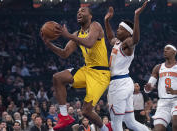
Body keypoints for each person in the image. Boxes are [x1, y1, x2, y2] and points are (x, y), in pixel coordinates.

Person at [41, 6, 110, 131]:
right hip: (87, 69)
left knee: (86, 111)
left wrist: (69, 36)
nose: (79, 12)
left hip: (101, 73)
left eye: (83, 11)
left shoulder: (96, 26)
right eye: (78, 11)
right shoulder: (77, 34)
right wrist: (48, 44)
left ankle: (105, 129)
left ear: (90, 16)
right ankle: (64, 115)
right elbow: (64, 53)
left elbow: (89, 43)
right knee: (58, 78)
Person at [105, 1, 149, 131]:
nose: (117, 29)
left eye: (120, 28)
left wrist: (136, 16)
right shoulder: (118, 42)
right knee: (130, 122)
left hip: (119, 84)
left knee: (116, 123)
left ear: (127, 32)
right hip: (124, 83)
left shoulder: (127, 43)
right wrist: (106, 21)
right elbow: (109, 37)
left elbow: (135, 40)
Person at [144, 44, 177, 131]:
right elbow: (148, 87)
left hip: (176, 100)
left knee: (176, 124)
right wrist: (147, 88)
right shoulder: (158, 67)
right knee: (158, 129)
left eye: (168, 49)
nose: (165, 51)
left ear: (174, 52)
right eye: (164, 50)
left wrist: (174, 92)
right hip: (163, 102)